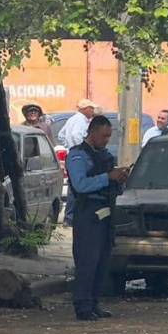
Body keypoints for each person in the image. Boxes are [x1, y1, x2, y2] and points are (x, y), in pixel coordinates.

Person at [66, 116, 130, 321]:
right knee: (87, 262)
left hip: (106, 211)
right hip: (87, 213)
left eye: (109, 136)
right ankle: (82, 305)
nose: (106, 140)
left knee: (102, 262)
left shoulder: (105, 155)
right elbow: (80, 185)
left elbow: (112, 183)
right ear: (92, 133)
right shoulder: (77, 156)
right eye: (103, 136)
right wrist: (107, 177)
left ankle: (94, 303)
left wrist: (119, 178)